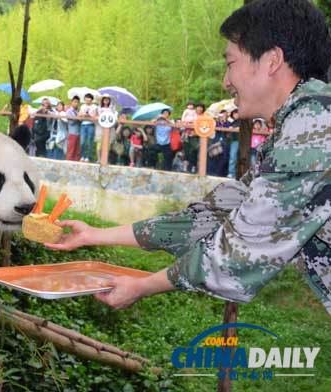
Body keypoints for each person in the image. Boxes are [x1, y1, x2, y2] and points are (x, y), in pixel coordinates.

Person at [45, 0, 331, 314]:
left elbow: (239, 252)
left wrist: (143, 286)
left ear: (272, 60)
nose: (225, 81)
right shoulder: (301, 122)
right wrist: (95, 235)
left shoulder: (314, 127)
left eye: (231, 63)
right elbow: (213, 214)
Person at [207, 109, 230, 177]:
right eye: (222, 114)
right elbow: (214, 127)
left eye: (225, 114)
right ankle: (211, 172)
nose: (223, 116)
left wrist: (224, 121)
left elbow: (228, 129)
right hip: (216, 140)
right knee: (213, 155)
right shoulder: (216, 122)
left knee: (224, 157)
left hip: (224, 141)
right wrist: (219, 121)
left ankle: (220, 173)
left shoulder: (228, 122)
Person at [79, 93, 98, 162]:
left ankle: (88, 157)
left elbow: (96, 117)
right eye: (86, 98)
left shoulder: (95, 107)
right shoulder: (82, 106)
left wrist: (89, 116)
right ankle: (83, 156)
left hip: (91, 125)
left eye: (89, 98)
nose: (87, 99)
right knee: (82, 142)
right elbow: (79, 116)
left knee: (90, 141)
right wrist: (82, 115)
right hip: (83, 125)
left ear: (92, 100)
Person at [65, 96, 82, 161]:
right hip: (72, 133)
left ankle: (76, 162)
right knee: (71, 149)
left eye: (77, 102)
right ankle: (69, 162)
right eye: (75, 102)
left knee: (77, 150)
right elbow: (71, 122)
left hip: (78, 133)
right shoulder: (69, 111)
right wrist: (78, 117)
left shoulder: (78, 111)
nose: (76, 103)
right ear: (71, 102)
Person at [226, 109, 240, 178]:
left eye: (237, 113)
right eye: (234, 113)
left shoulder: (243, 122)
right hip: (233, 141)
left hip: (240, 141)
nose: (236, 115)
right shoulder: (232, 122)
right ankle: (231, 173)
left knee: (234, 157)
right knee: (233, 157)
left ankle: (233, 173)